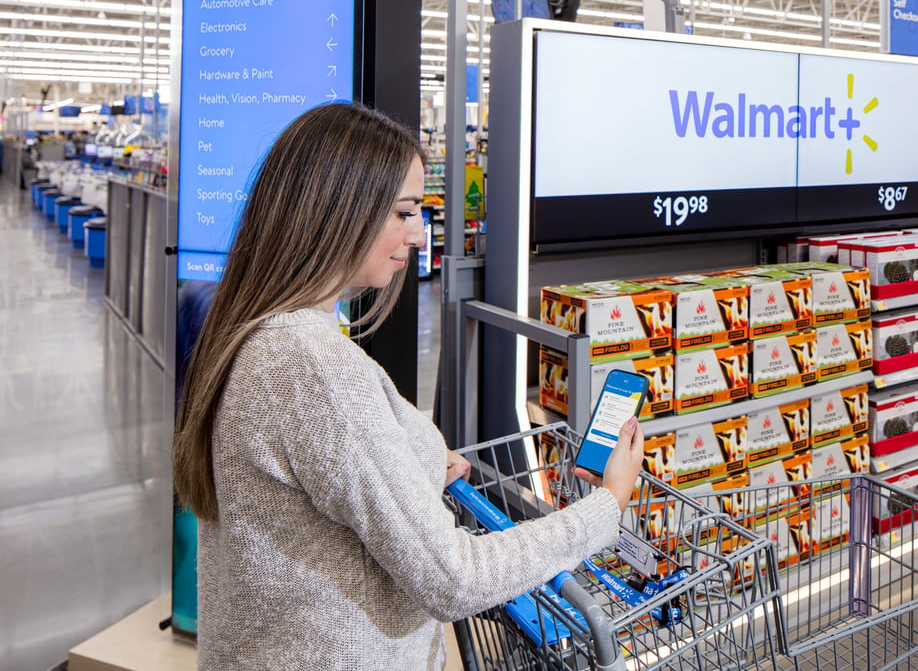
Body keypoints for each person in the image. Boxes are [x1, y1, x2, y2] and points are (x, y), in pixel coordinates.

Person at [172, 103, 645, 670]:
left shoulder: (271, 332)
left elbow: (319, 486)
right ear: (336, 210)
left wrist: (413, 462)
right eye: (403, 212)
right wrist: (606, 506)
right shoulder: (308, 364)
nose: (419, 234)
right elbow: (454, 579)